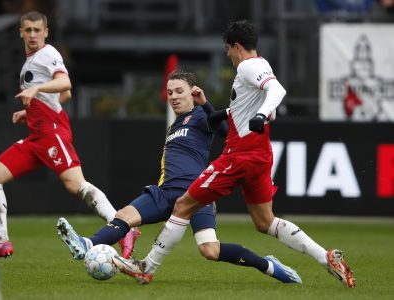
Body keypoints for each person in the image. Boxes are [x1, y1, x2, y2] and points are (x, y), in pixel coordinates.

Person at [116, 20, 356, 288]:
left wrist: (262, 114)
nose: (227, 55)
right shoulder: (261, 65)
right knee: (265, 221)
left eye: (227, 49)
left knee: (183, 205)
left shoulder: (247, 67)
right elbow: (253, 106)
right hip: (261, 155)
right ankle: (325, 258)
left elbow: (278, 91)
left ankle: (146, 267)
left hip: (239, 155)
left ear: (237, 46)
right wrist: (212, 107)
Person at [57, 70, 302, 285]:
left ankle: (268, 265)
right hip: (165, 192)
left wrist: (205, 105)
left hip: (197, 193)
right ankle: (87, 244)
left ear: (193, 92)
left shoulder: (201, 116)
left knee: (210, 250)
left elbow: (228, 134)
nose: (173, 96)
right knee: (124, 216)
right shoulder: (175, 125)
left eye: (179, 91)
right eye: (170, 92)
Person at [0, 11, 138, 262]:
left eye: (37, 30)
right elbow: (64, 98)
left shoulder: (47, 54)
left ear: (46, 32)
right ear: (20, 32)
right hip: (36, 136)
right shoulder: (31, 61)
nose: (32, 35)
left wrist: (37, 88)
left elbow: (65, 84)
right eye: (27, 30)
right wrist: (28, 113)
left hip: (51, 133)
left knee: (75, 184)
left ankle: (124, 228)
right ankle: (1, 242)